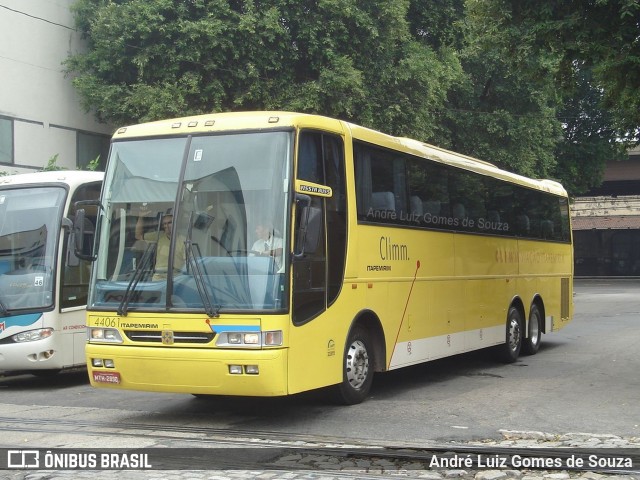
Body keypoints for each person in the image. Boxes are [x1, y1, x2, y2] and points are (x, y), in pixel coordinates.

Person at [135, 206, 185, 280]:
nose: (166, 226)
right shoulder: (159, 235)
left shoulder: (183, 240)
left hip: (177, 278)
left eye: (169, 223)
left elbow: (189, 262)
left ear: (176, 223)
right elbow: (138, 236)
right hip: (158, 278)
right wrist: (141, 217)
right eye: (164, 224)